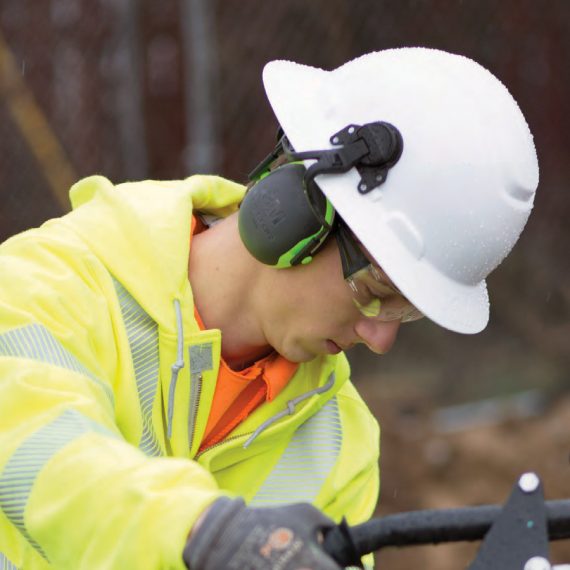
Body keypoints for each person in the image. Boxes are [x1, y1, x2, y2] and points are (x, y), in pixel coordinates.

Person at [0, 47, 538, 570]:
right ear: (296, 212)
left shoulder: (339, 442)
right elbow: (35, 454)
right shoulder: (46, 284)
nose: (380, 340)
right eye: (375, 287)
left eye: (406, 311)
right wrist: (203, 532)